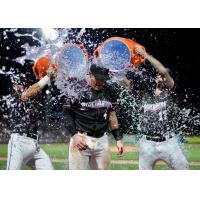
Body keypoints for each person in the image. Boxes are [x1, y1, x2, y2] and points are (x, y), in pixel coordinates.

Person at [121, 46, 189, 170]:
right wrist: (115, 67)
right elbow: (124, 81)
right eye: (157, 75)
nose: (160, 76)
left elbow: (163, 71)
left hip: (169, 142)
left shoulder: (170, 91)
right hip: (147, 143)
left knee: (184, 169)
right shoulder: (143, 93)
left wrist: (145, 55)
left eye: (162, 75)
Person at [63, 63, 124, 170]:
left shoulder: (109, 90)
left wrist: (118, 139)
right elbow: (67, 115)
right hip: (81, 139)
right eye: (98, 78)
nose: (100, 82)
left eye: (103, 79)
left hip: (102, 140)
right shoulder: (77, 89)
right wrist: (74, 136)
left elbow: (112, 116)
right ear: (90, 75)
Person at [6, 67, 56, 170]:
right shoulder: (14, 96)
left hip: (34, 145)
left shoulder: (34, 95)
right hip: (18, 143)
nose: (21, 85)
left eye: (23, 82)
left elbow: (37, 89)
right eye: (19, 82)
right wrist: (47, 77)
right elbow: (27, 94)